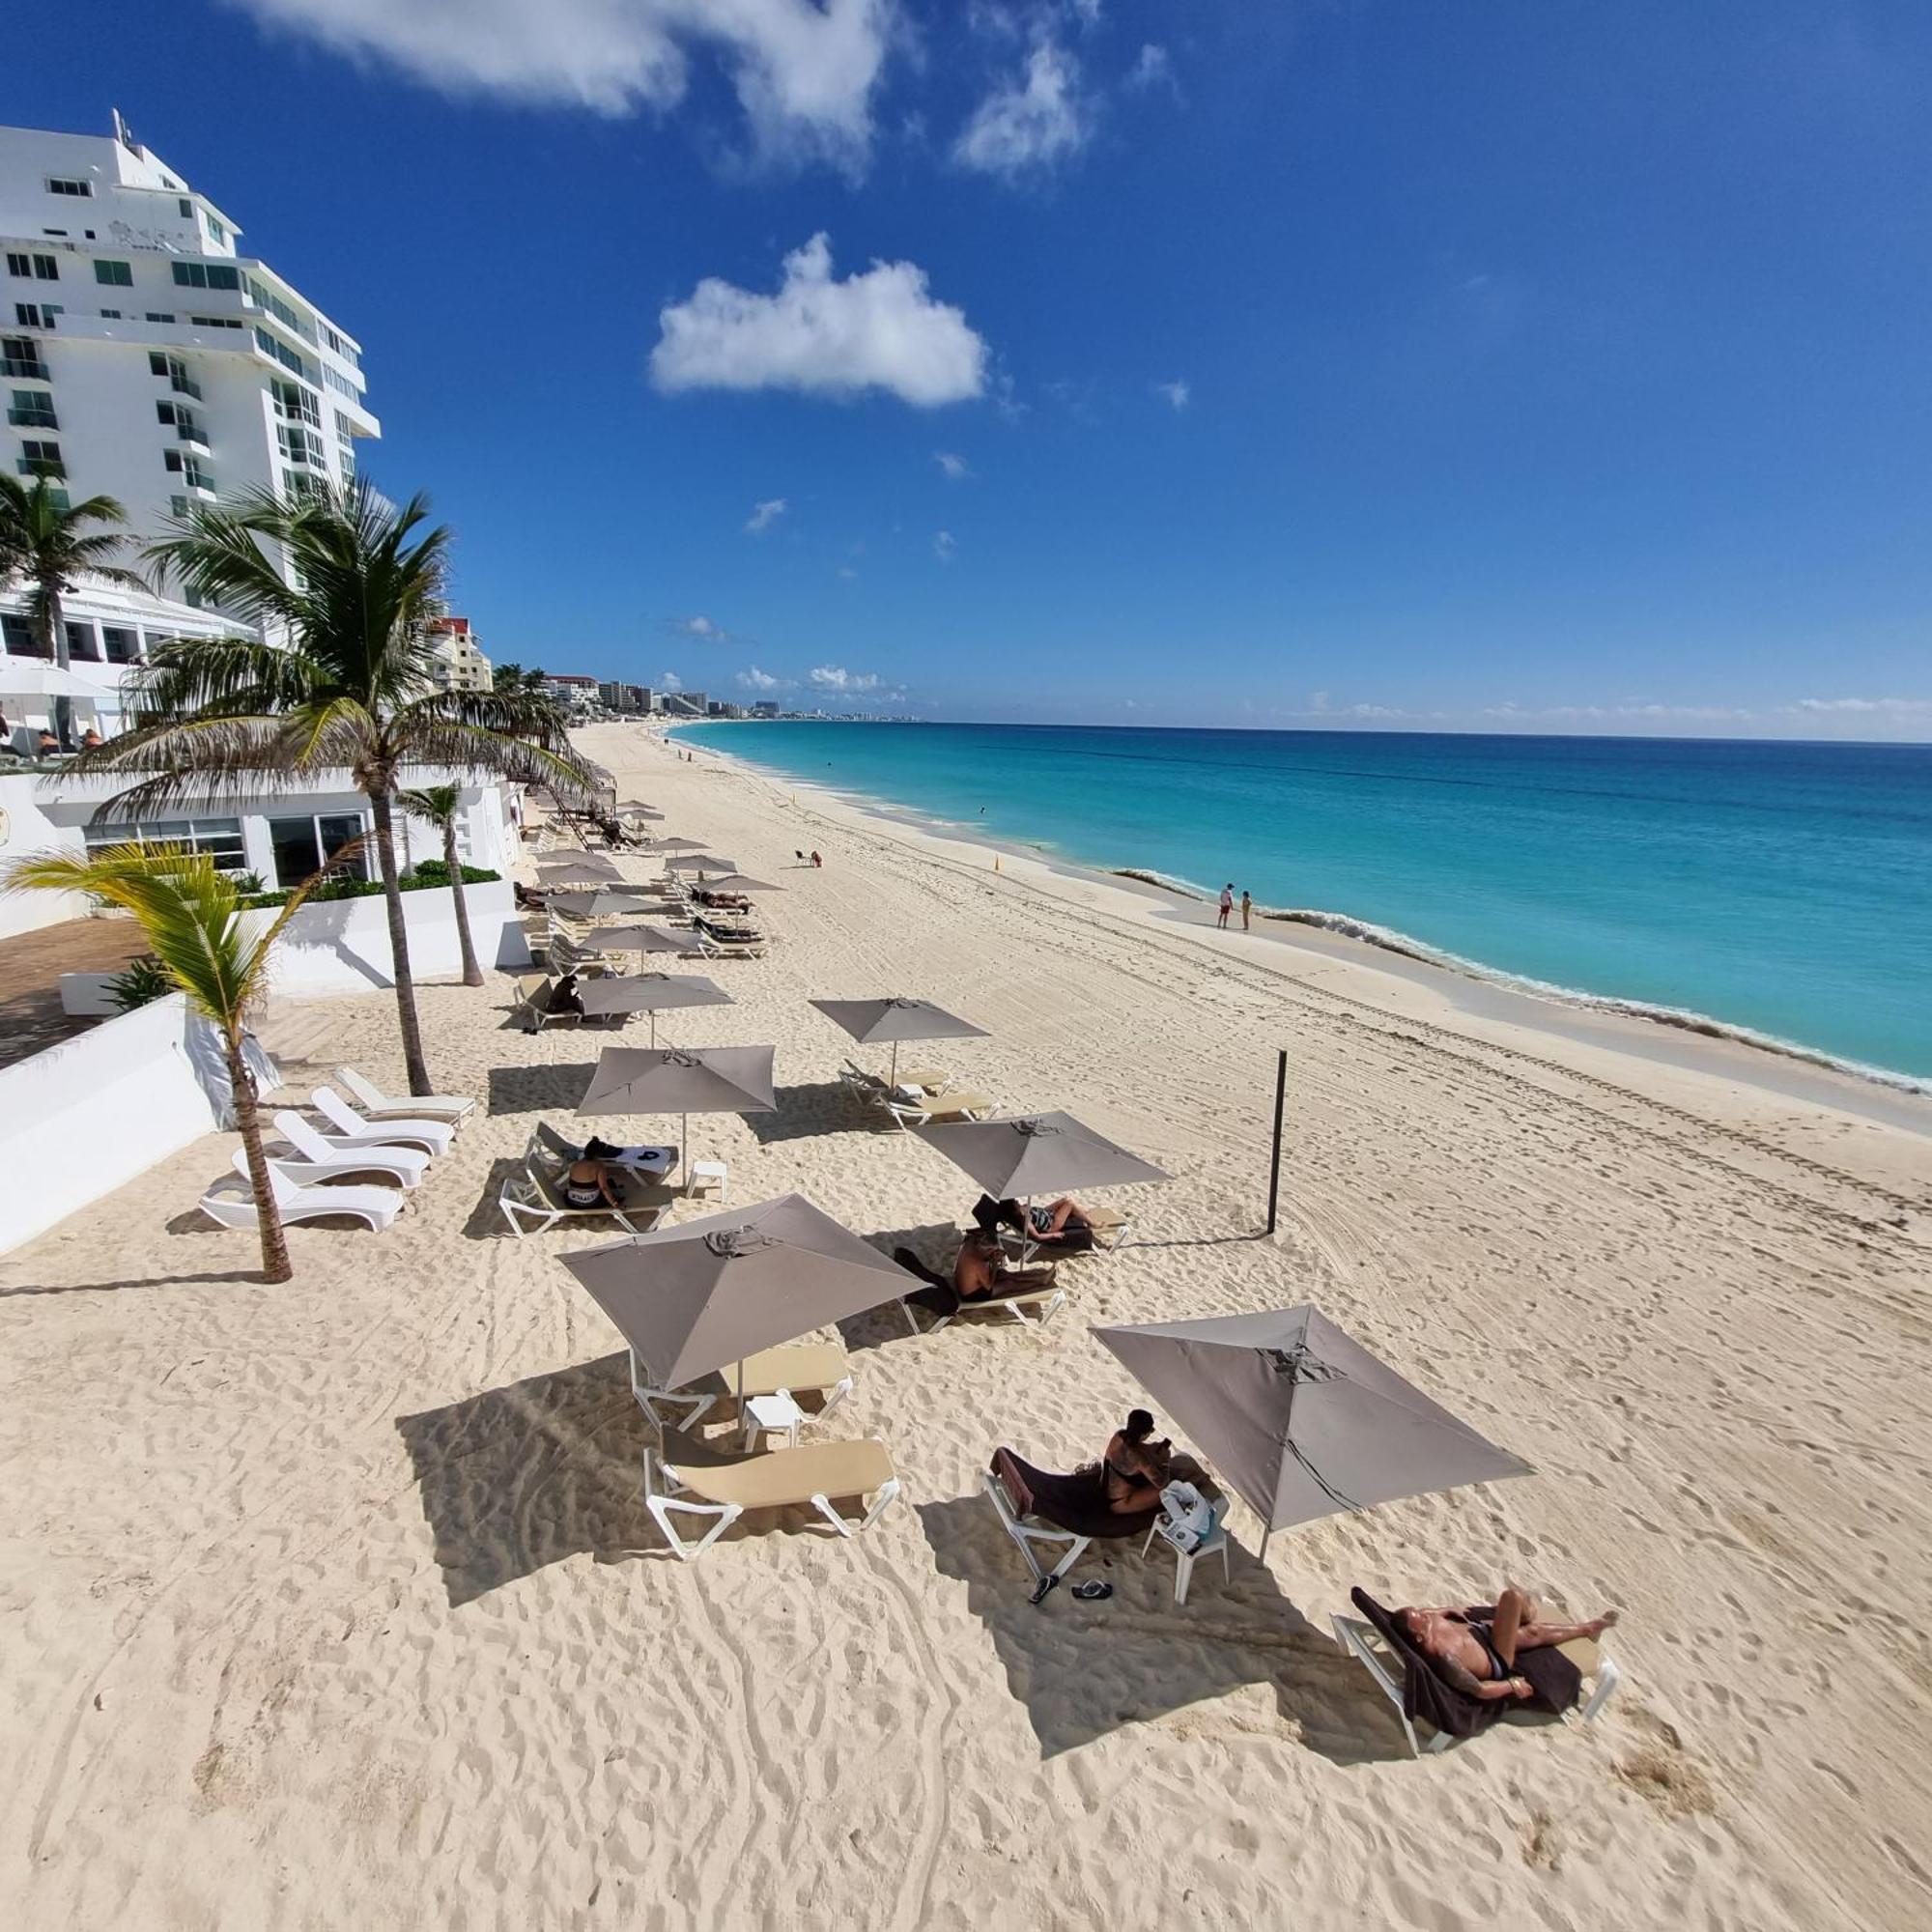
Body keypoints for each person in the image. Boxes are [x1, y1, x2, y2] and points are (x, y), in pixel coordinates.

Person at [1396, 1590, 1620, 1700]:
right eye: (1423, 1621)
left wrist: (1449, 1610)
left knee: (1532, 1633)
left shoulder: (1421, 1620)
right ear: (1418, 1638)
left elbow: (1440, 1611)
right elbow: (1479, 1690)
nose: (1426, 1617)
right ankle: (1529, 1612)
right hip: (1496, 1657)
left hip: (1481, 1632)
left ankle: (1588, 1629)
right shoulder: (1445, 1657)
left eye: (1422, 1614)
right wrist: (1512, 1685)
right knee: (1512, 1598)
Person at [952, 1228, 1056, 1301]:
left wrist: (994, 1263)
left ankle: (1039, 1277)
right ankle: (1039, 1281)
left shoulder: (970, 1242)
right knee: (1009, 1283)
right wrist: (994, 1263)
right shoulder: (977, 1263)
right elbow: (988, 1286)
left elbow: (974, 1232)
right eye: (991, 1251)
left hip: (963, 1282)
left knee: (1003, 1273)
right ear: (986, 1249)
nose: (993, 1253)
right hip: (971, 1295)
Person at [1102, 1409, 1174, 1515]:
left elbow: (1133, 1449)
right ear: (1144, 1434)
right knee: (1164, 1491)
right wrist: (1165, 1461)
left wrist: (1153, 1447)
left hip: (1104, 1489)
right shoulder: (1139, 1458)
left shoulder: (1119, 1435)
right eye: (1151, 1430)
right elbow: (1162, 1484)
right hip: (1118, 1503)